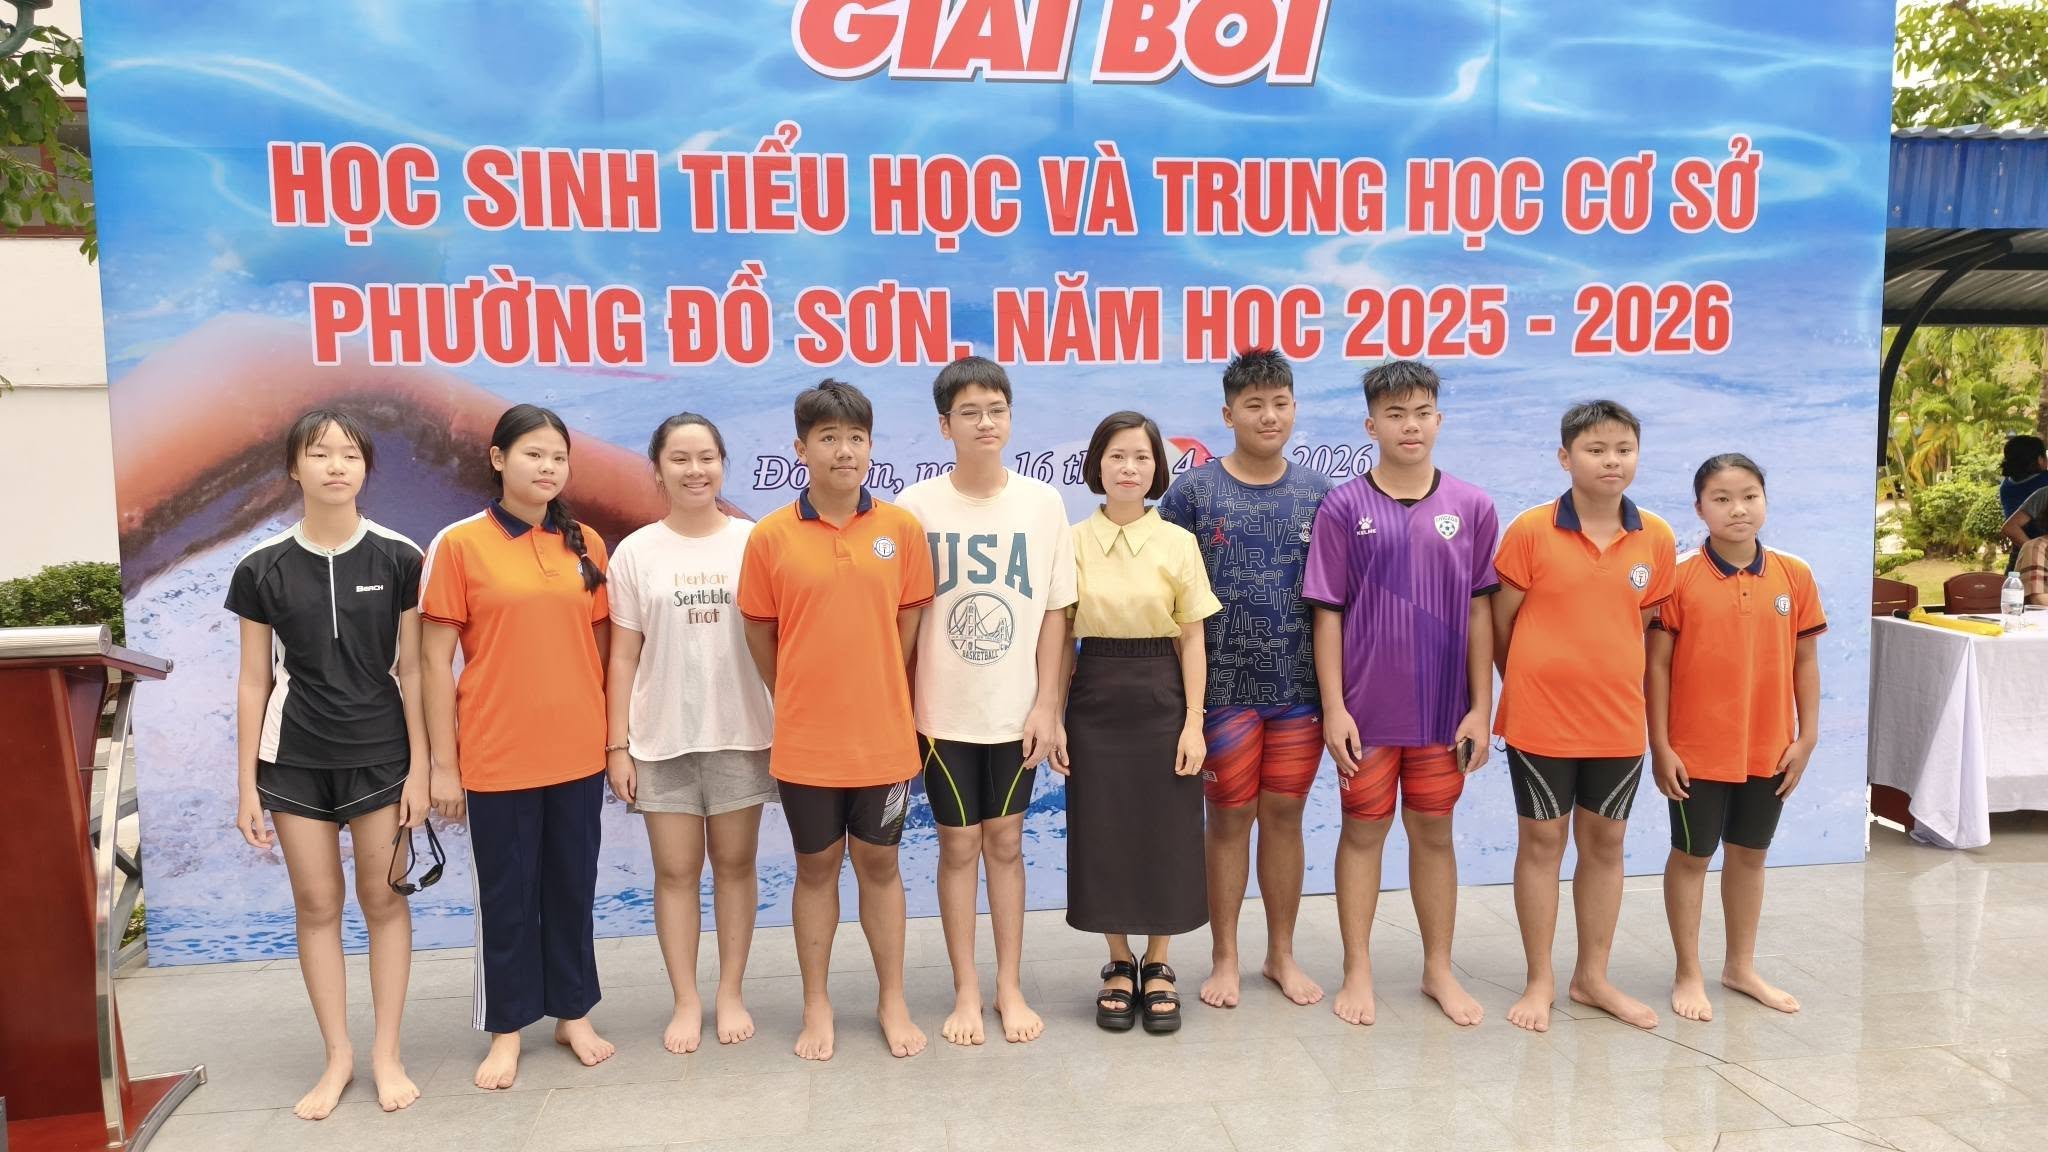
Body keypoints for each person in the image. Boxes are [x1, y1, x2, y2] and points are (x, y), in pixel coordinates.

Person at [228, 409, 428, 1120]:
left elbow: (415, 670)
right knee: (317, 906)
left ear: (366, 468)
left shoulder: (401, 557)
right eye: (320, 454)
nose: (336, 465)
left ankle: (387, 1054)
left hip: (382, 757)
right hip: (294, 761)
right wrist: (246, 786)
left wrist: (423, 770)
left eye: (349, 453)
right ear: (294, 468)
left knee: (385, 901)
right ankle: (338, 1056)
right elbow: (253, 679)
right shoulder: (261, 566)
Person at [737, 380, 934, 1062]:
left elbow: (906, 626)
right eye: (828, 438)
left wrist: (873, 686)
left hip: (883, 738)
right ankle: (816, 1003)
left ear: (871, 446)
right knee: (816, 867)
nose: (843, 450)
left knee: (881, 864)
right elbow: (760, 632)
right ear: (801, 448)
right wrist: (796, 692)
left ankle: (892, 1000)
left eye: (855, 438)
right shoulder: (770, 537)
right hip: (807, 742)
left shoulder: (900, 530)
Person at [420, 403, 616, 1089]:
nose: (548, 467)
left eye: (559, 457)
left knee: (572, 888)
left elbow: (599, 650)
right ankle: (506, 1029)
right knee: (507, 898)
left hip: (577, 754)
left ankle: (572, 1014)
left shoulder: (586, 544)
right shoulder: (460, 544)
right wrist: (444, 766)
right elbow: (432, 663)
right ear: (499, 459)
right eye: (534, 454)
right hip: (496, 754)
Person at [1301, 361, 1499, 1028]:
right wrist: (1335, 708)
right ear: (1371, 425)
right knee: (1363, 832)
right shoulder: (1343, 507)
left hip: (1444, 713)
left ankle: (1438, 968)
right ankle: (1357, 968)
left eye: (1420, 414)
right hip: (1366, 712)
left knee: (1434, 833)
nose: (1408, 426)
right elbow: (1327, 613)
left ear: (1438, 421)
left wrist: (1481, 707)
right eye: (1394, 415)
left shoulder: (1472, 506)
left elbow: (1480, 611)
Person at [897, 357, 1076, 1046]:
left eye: (996, 410)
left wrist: (1047, 706)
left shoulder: (1042, 504)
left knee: (1006, 842)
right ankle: (966, 990)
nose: (984, 423)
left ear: (1010, 418)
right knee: (957, 845)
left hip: (1014, 711)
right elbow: (903, 618)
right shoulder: (916, 507)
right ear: (945, 426)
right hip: (941, 712)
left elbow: (1056, 613)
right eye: (968, 412)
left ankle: (1008, 986)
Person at [1156, 348, 1332, 1010]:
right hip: (1221, 694)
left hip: (1299, 693)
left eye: (1280, 403)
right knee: (1228, 819)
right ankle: (1224, 957)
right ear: (1229, 415)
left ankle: (1280, 954)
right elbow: (1165, 593)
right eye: (1254, 405)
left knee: (1284, 817)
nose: (1269, 416)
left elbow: (1336, 605)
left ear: (1295, 409)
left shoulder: (1320, 494)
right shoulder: (1193, 493)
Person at [1493, 399, 1676, 1033]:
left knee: (1606, 844)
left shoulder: (1656, 537)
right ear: (1565, 457)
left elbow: (1642, 625)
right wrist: (1530, 682)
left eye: (1623, 450)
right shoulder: (1530, 530)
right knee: (1542, 844)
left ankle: (1592, 977)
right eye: (1595, 450)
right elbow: (1501, 623)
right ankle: (1540, 979)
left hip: (1617, 722)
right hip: (1539, 721)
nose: (1611, 461)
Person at [604, 413, 775, 1054]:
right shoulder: (636, 552)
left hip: (741, 731)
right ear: (657, 469)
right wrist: (617, 744)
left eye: (706, 457)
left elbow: (779, 639)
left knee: (735, 866)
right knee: (675, 872)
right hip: (660, 737)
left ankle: (730, 991)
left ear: (723, 464)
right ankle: (686, 999)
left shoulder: (754, 542)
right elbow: (623, 655)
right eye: (679, 458)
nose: (695, 470)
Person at [1649, 453, 1824, 1023]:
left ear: (1765, 501)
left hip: (1769, 748)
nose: (1738, 509)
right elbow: (1656, 666)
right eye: (1721, 499)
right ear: (1699, 508)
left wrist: (1807, 737)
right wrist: (1661, 745)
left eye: (1749, 496)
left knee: (1750, 855)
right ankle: (1688, 971)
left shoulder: (1793, 574)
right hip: (1695, 751)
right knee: (1693, 856)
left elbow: (1805, 660)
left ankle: (1740, 967)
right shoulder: (1678, 576)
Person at [1064, 410, 1222, 1033]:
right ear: (1096, 465)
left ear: (1157, 468)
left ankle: (1158, 962)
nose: (1129, 468)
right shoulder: (1072, 542)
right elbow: (1059, 637)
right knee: (1102, 829)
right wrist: (1054, 714)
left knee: (1167, 831)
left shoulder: (1178, 542)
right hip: (1094, 696)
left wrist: (1194, 722)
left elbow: (1193, 638)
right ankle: (1118, 961)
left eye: (1142, 457)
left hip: (1163, 695)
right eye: (1117, 456)